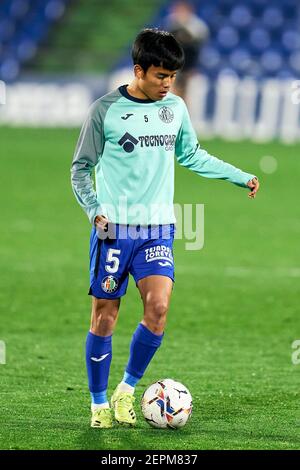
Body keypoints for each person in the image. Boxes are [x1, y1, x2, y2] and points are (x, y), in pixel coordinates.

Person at [71, 28, 259, 429]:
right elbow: (81, 169)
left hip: (157, 229)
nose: (167, 84)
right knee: (105, 317)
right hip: (113, 230)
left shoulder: (174, 108)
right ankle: (99, 403)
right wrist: (94, 210)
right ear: (138, 70)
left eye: (172, 77)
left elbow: (191, 154)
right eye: (160, 76)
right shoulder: (104, 111)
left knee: (158, 309)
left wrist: (238, 176)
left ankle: (126, 390)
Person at [165, 1, 209, 99]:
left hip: (190, 64)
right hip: (174, 63)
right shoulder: (170, 23)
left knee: (190, 91)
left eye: (183, 11)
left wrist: (194, 68)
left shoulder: (197, 26)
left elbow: (198, 49)